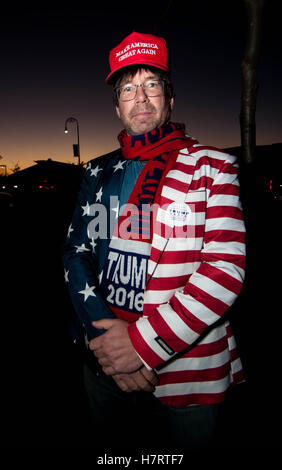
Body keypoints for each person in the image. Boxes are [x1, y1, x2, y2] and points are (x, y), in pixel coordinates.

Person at [62, 31, 246, 451]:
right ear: (117, 107)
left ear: (170, 100)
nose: (140, 97)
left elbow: (224, 271)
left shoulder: (213, 167)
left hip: (187, 376)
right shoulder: (97, 172)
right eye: (128, 88)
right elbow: (75, 253)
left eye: (151, 85)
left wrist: (140, 347)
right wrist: (106, 346)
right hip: (103, 365)